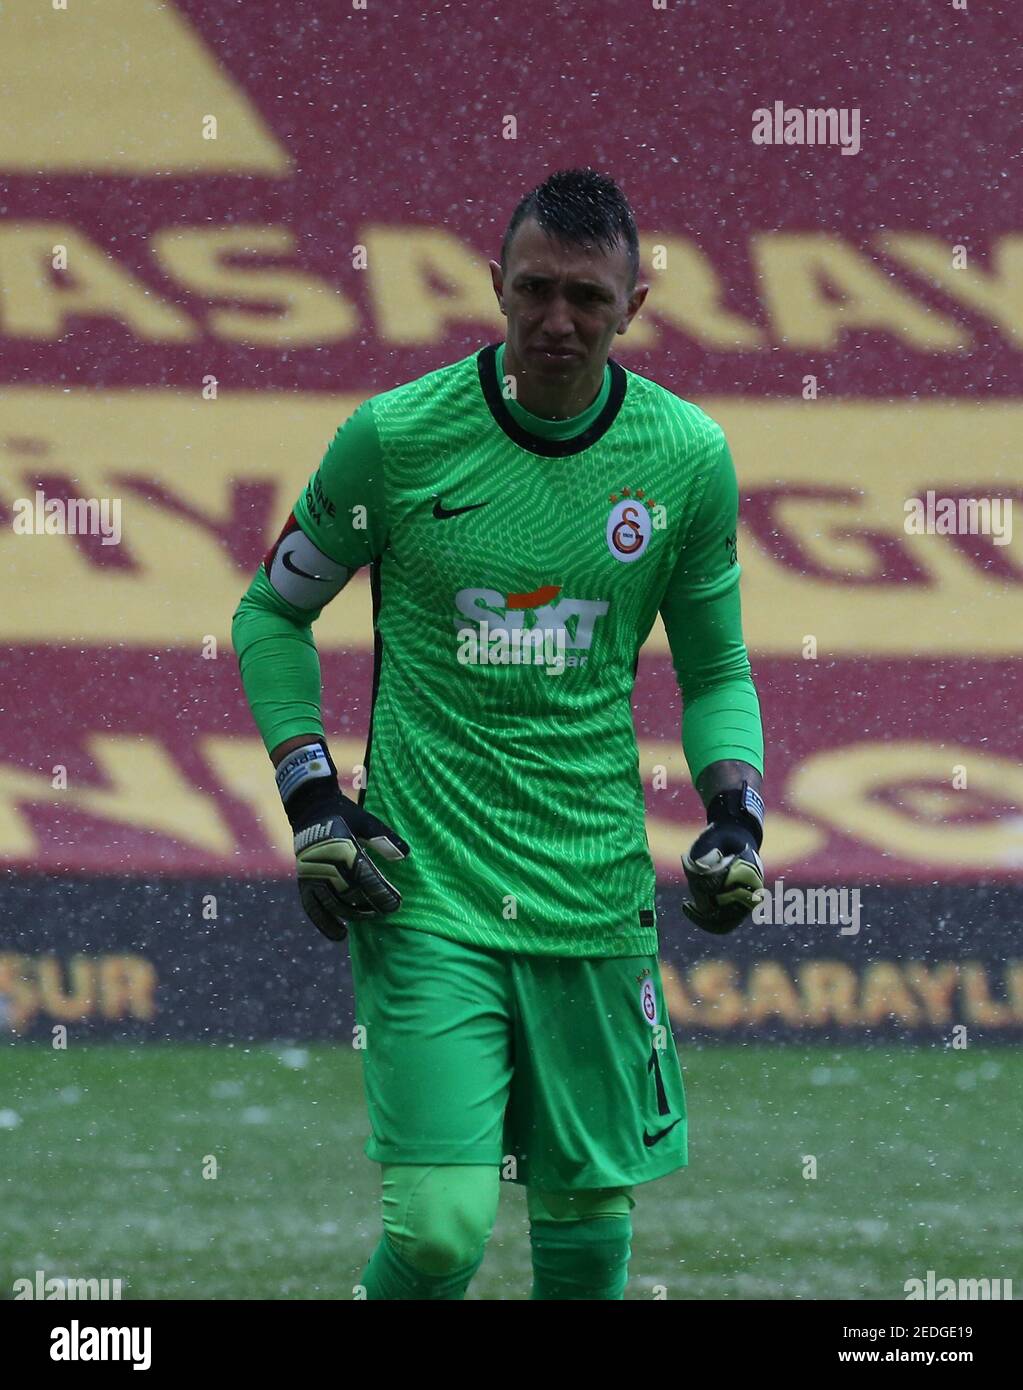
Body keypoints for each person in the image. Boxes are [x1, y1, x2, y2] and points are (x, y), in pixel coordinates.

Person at [232, 167, 765, 1301]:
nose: (556, 320)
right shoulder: (397, 438)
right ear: (494, 285)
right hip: (428, 889)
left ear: (637, 300)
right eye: (533, 291)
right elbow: (271, 611)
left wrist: (736, 817)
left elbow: (716, 668)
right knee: (437, 1230)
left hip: (595, 896)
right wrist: (314, 795)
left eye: (585, 295)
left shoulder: (686, 459)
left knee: (585, 1241)